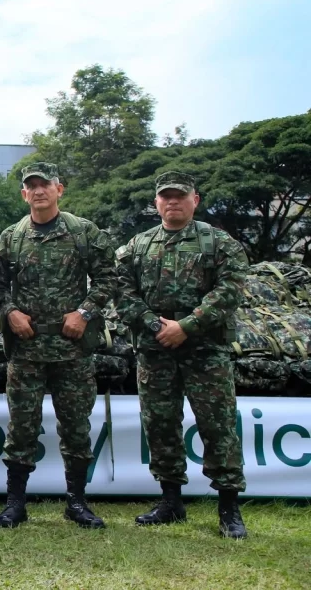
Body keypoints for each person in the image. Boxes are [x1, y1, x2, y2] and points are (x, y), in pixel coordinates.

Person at [116, 171, 248, 539]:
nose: (172, 201)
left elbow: (230, 289)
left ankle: (229, 508)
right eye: (166, 196)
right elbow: (122, 292)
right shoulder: (137, 245)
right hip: (155, 350)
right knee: (160, 425)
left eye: (180, 195)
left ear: (195, 200)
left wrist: (187, 325)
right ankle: (170, 501)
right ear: (156, 203)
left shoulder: (219, 242)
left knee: (217, 426)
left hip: (206, 351)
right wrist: (155, 324)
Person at [0, 162, 116, 529]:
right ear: (24, 194)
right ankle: (15, 504)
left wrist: (85, 312)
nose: (39, 191)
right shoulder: (11, 237)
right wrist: (10, 311)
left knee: (76, 428)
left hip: (71, 348)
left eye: (45, 184)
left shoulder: (83, 232)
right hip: (26, 349)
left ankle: (76, 502)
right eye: (32, 186)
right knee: (21, 428)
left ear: (59, 189)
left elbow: (109, 277)